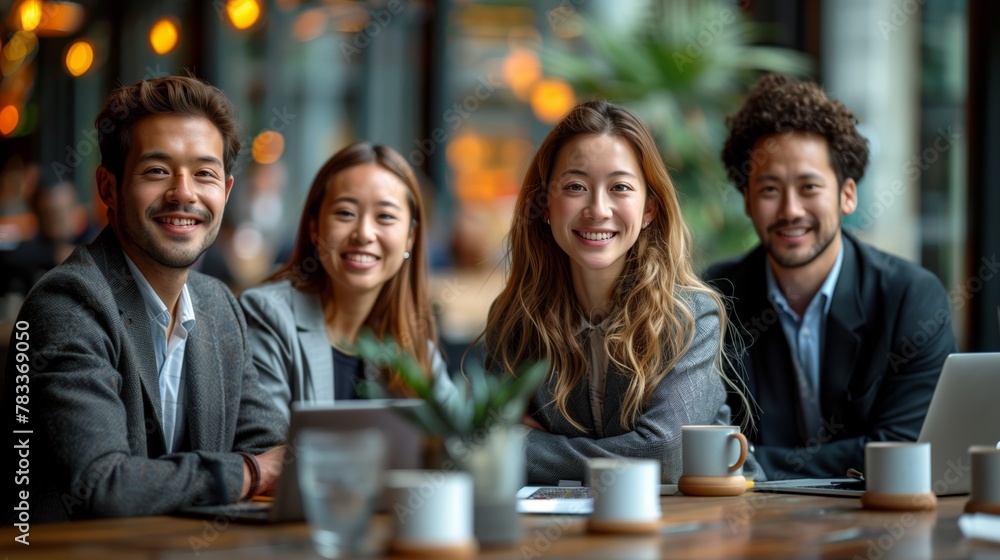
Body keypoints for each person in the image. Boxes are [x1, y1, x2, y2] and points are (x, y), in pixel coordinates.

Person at [1, 76, 286, 523]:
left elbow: (271, 446)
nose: (184, 193)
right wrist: (250, 472)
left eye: (204, 174)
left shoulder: (217, 306)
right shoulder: (67, 304)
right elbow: (104, 484)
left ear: (226, 193)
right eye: (157, 171)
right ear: (108, 188)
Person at [483, 100, 754, 485]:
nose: (598, 209)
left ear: (649, 210)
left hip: (693, 531)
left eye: (620, 187)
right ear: (544, 205)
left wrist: (524, 446)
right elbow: (482, 445)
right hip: (562, 535)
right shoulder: (514, 319)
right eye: (576, 186)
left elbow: (665, 456)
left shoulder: (689, 316)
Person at [705, 74, 956, 479]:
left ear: (847, 195)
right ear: (747, 200)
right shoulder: (715, 299)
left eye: (809, 187)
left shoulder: (911, 297)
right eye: (769, 189)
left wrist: (754, 464)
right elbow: (703, 447)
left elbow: (905, 450)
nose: (790, 210)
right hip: (750, 529)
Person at [240, 142, 454, 421]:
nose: (364, 233)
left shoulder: (412, 342)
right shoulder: (267, 315)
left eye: (385, 216)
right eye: (345, 213)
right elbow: (269, 450)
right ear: (314, 228)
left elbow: (458, 439)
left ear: (410, 238)